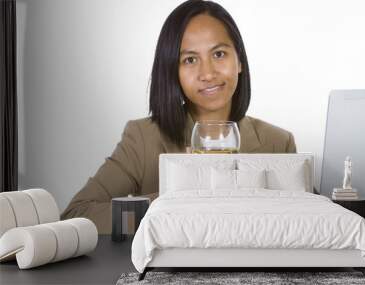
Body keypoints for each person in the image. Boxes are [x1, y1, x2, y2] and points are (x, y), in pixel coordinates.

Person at [61, 0, 297, 234]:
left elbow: (304, 223)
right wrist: (172, 203)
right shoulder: (142, 139)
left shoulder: (278, 142)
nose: (208, 73)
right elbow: (78, 214)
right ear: (173, 72)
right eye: (190, 60)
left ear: (240, 62)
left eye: (219, 53)